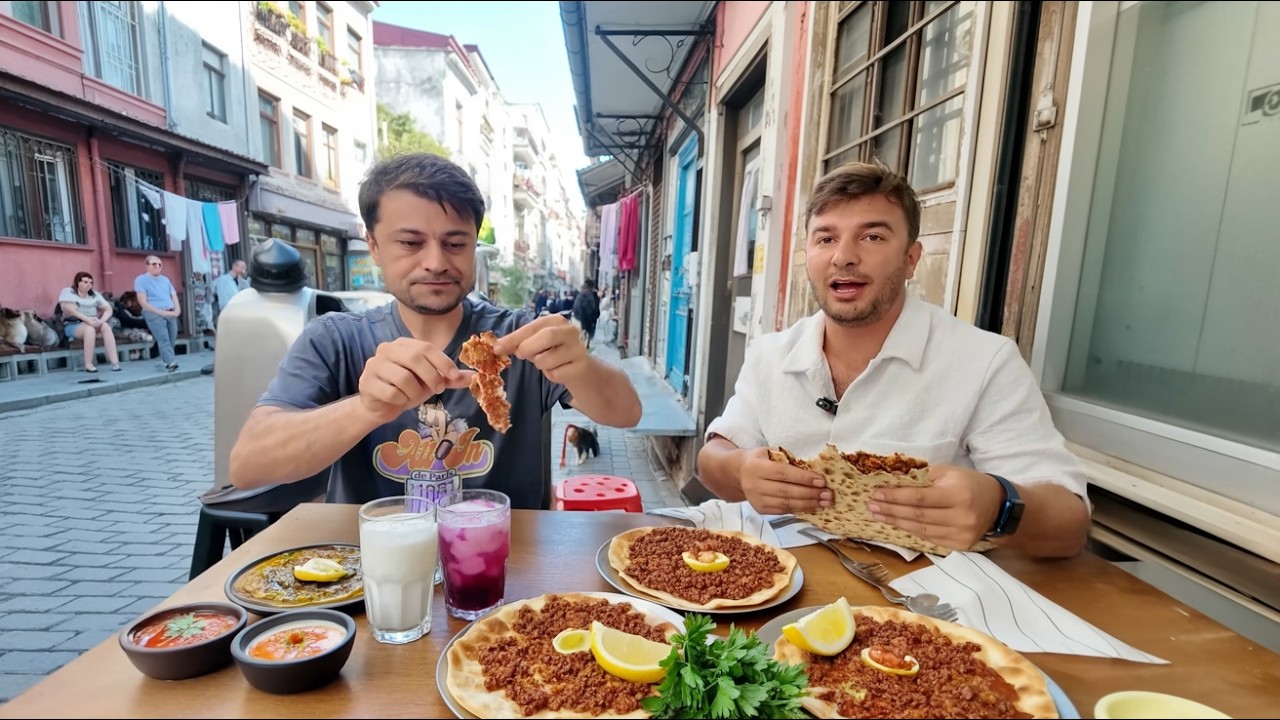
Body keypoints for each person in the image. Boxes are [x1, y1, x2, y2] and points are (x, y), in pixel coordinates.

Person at [696, 161, 1091, 559]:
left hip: (922, 602)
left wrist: (999, 505)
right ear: (809, 255)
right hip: (778, 581)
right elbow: (713, 458)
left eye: (872, 236)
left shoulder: (984, 362)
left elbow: (1070, 523)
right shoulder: (770, 355)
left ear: (910, 259)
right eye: (826, 239)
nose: (844, 257)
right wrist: (741, 469)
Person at [228, 152, 643, 510]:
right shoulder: (335, 340)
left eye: (455, 244)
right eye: (410, 243)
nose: (435, 262)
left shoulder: (518, 338)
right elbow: (249, 465)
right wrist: (367, 408)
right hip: (373, 572)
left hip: (507, 567)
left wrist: (579, 365)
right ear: (373, 246)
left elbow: (626, 412)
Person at [58, 271, 120, 372]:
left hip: (93, 321)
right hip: (74, 324)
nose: (89, 284)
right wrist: (88, 320)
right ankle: (89, 365)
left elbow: (108, 309)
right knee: (89, 329)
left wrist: (101, 321)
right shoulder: (68, 292)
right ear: (78, 282)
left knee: (106, 327)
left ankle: (115, 362)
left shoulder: (94, 295)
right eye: (85, 282)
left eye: (91, 282)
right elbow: (70, 310)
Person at [133, 255, 181, 372]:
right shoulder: (141, 280)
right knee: (163, 338)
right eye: (154, 264)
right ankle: (171, 362)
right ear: (147, 266)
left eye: (160, 264)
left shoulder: (165, 280)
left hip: (170, 311)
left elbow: (173, 295)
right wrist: (159, 312)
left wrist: (177, 310)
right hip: (153, 313)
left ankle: (165, 361)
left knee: (171, 338)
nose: (157, 266)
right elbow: (142, 301)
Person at [572, 280, 601, 349]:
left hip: (577, 319)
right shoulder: (589, 295)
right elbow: (591, 311)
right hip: (584, 322)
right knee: (584, 341)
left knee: (580, 341)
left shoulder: (580, 294)